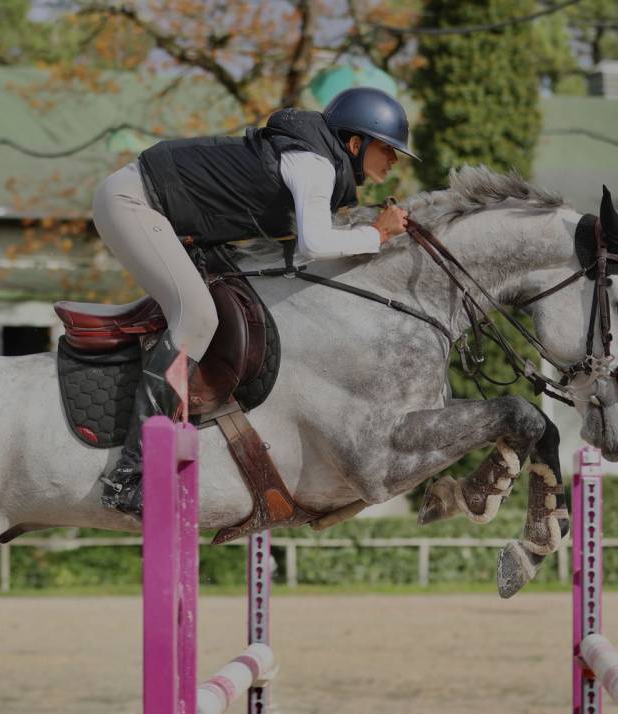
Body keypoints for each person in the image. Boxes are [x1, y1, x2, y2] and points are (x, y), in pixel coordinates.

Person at [92, 86, 416, 517]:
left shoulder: (320, 163)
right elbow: (316, 243)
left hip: (168, 217)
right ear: (355, 144)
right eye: (387, 149)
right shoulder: (314, 164)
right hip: (133, 202)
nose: (393, 160)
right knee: (199, 317)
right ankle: (128, 473)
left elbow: (301, 253)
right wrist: (378, 234)